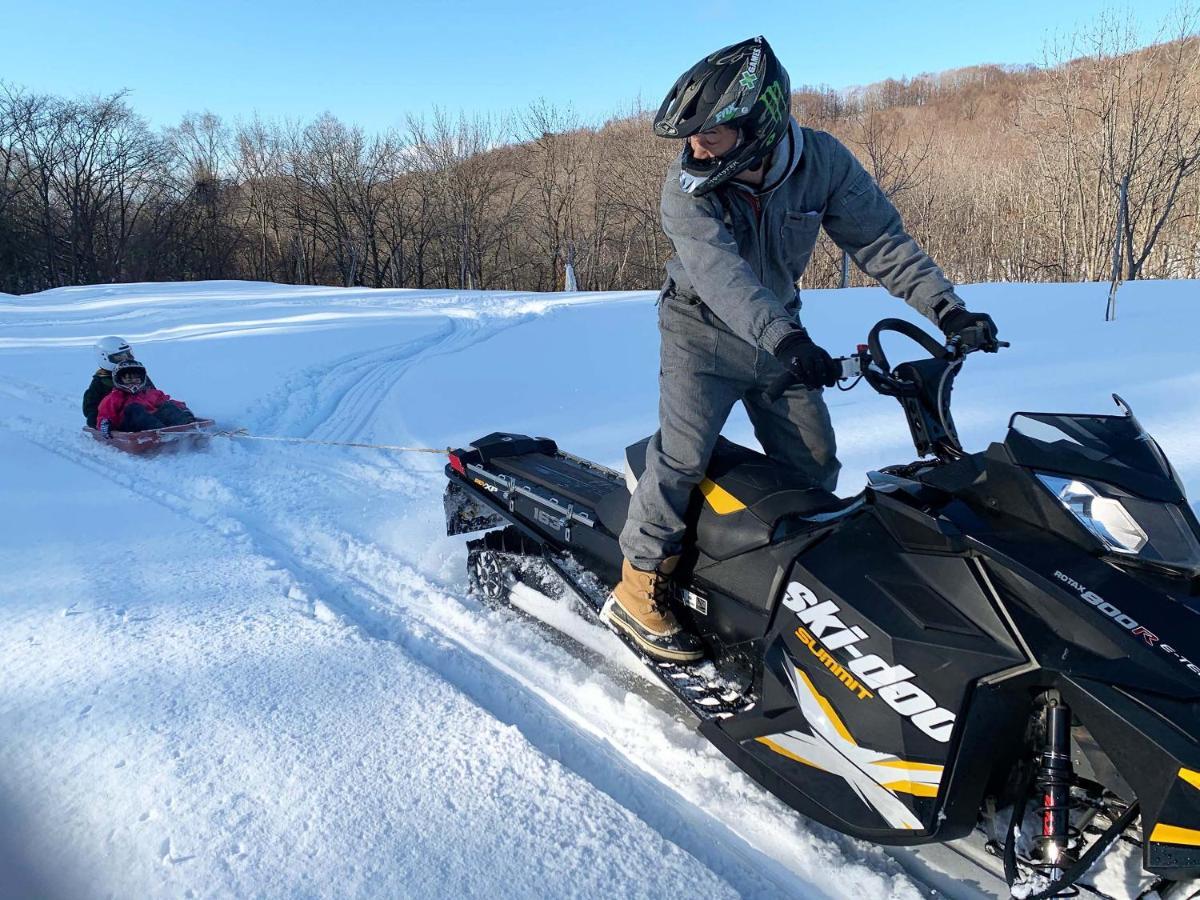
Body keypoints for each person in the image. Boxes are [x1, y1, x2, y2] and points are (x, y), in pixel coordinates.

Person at [602, 36, 1000, 662]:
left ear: (758, 122)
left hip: (781, 337)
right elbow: (720, 278)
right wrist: (787, 338)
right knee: (681, 456)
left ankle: (787, 588)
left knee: (815, 465)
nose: (695, 148)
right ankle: (639, 583)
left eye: (710, 135)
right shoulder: (687, 186)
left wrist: (947, 308)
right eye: (691, 137)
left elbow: (881, 243)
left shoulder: (824, 163)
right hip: (700, 331)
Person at [96, 361, 196, 435]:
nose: (133, 382)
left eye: (136, 379)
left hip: (155, 422)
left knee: (167, 407)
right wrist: (105, 424)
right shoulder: (114, 397)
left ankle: (189, 427)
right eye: (128, 379)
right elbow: (105, 415)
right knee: (135, 408)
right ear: (119, 380)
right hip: (129, 426)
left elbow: (167, 402)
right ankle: (163, 433)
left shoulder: (150, 393)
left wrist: (183, 409)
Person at [83, 336, 155, 428]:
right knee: (135, 409)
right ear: (104, 358)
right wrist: (99, 421)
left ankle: (175, 425)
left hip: (148, 413)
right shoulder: (101, 381)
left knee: (167, 407)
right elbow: (90, 407)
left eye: (128, 355)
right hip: (121, 419)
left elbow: (153, 393)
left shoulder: (138, 374)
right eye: (119, 357)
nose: (125, 360)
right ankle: (156, 431)